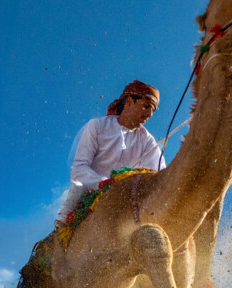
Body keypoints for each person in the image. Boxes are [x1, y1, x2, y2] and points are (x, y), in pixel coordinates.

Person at [55, 80, 166, 228]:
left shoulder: (148, 142)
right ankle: (57, 239)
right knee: (75, 192)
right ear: (128, 101)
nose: (149, 114)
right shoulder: (97, 126)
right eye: (146, 106)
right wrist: (104, 184)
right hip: (90, 192)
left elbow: (159, 176)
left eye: (152, 111)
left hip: (127, 199)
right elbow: (79, 168)